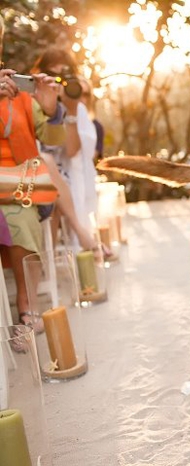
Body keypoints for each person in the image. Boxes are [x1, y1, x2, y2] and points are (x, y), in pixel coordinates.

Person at [0, 17, 67, 329]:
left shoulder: (19, 91)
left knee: (21, 211)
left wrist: (52, 110)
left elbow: (54, 140)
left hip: (17, 181)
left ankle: (26, 304)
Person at [33, 48, 99, 253]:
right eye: (53, 75)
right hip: (36, 171)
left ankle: (50, 266)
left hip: (64, 177)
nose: (59, 82)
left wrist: (70, 110)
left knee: (53, 196)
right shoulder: (32, 101)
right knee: (48, 178)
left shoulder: (74, 106)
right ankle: (79, 234)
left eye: (64, 75)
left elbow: (71, 151)